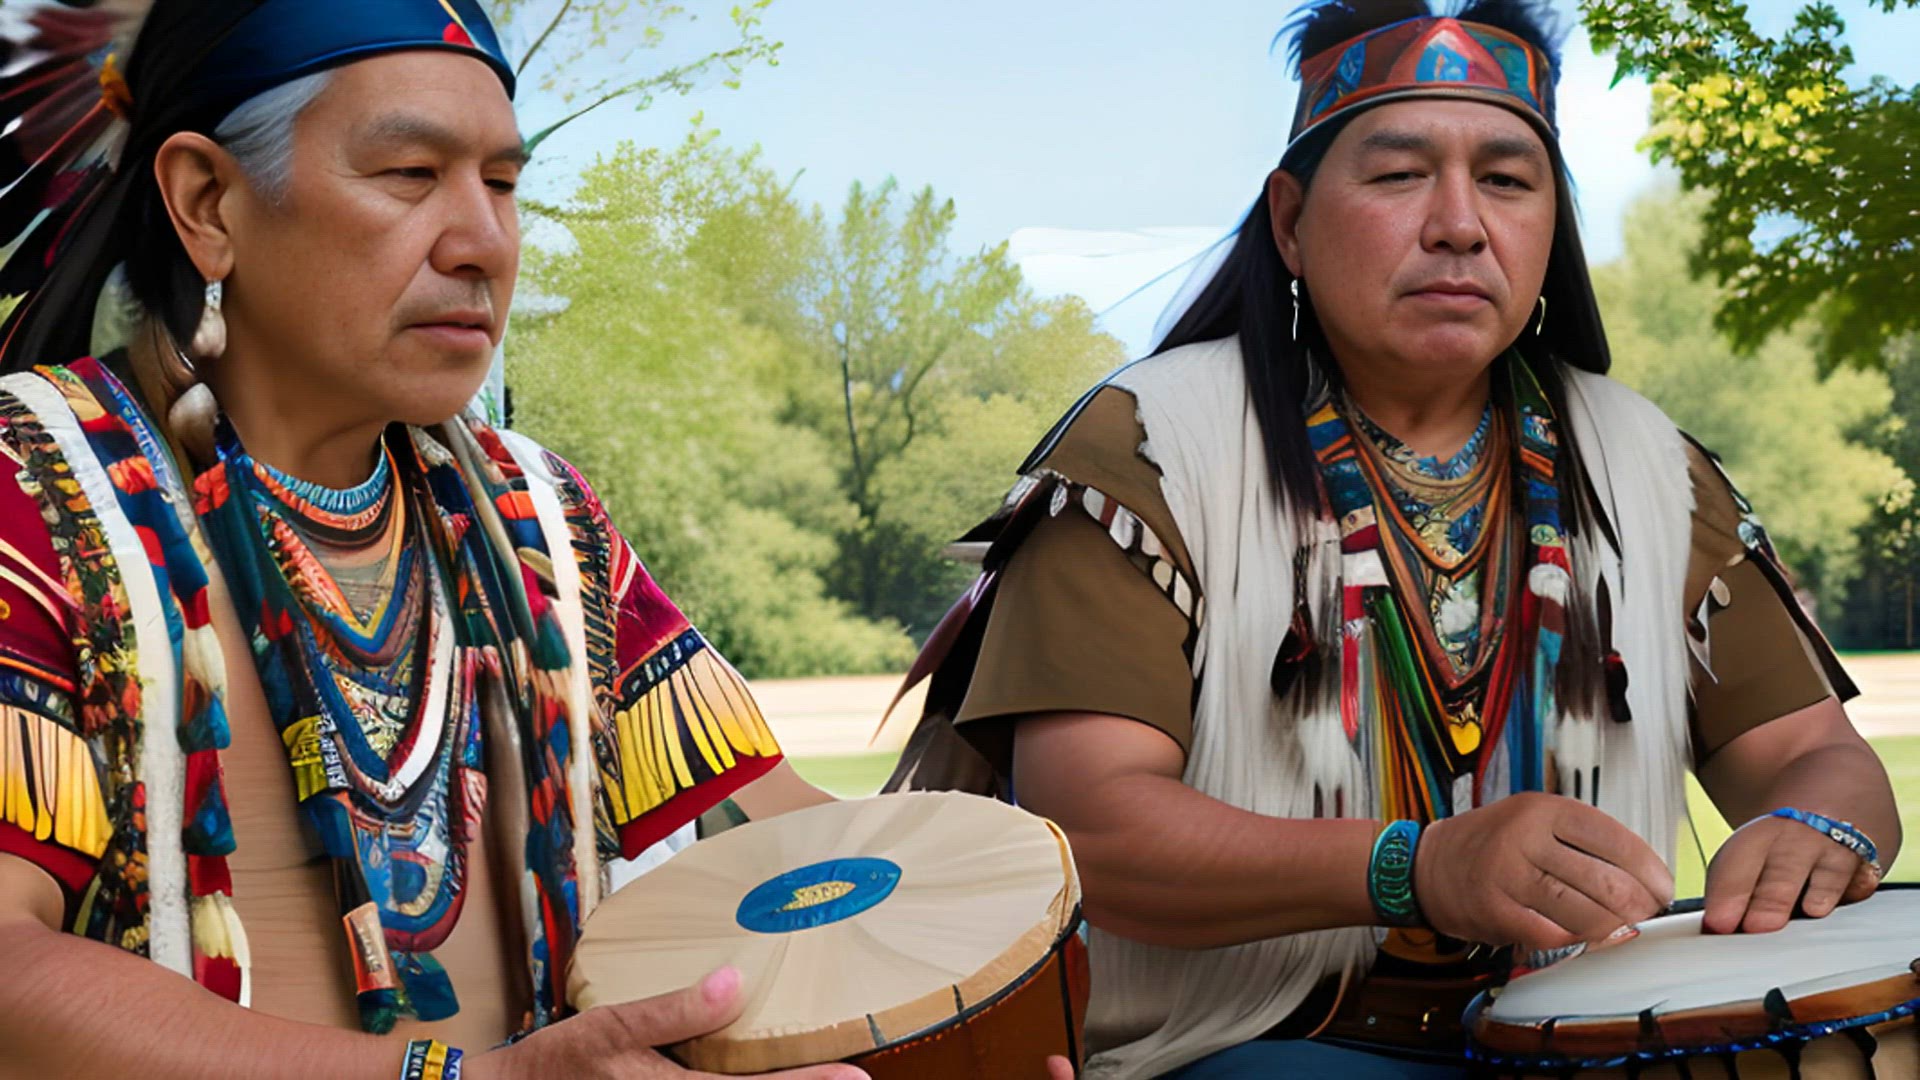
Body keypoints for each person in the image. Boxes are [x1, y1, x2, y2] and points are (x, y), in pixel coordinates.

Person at [884, 1, 1903, 1077]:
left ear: (1550, 225)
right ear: (1289, 220)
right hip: (1252, 1048)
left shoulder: (1647, 465)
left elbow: (1811, 756)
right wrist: (1413, 866)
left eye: (1508, 181)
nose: (1460, 223)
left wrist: (1819, 834)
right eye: (1398, 173)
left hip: (1591, 1040)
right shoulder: (1150, 446)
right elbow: (1088, 828)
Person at [0, 3, 1009, 1078]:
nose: (484, 241)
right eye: (408, 174)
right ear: (209, 203)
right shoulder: (39, 489)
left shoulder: (543, 524)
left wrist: (988, 969)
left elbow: (791, 853)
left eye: (504, 183)